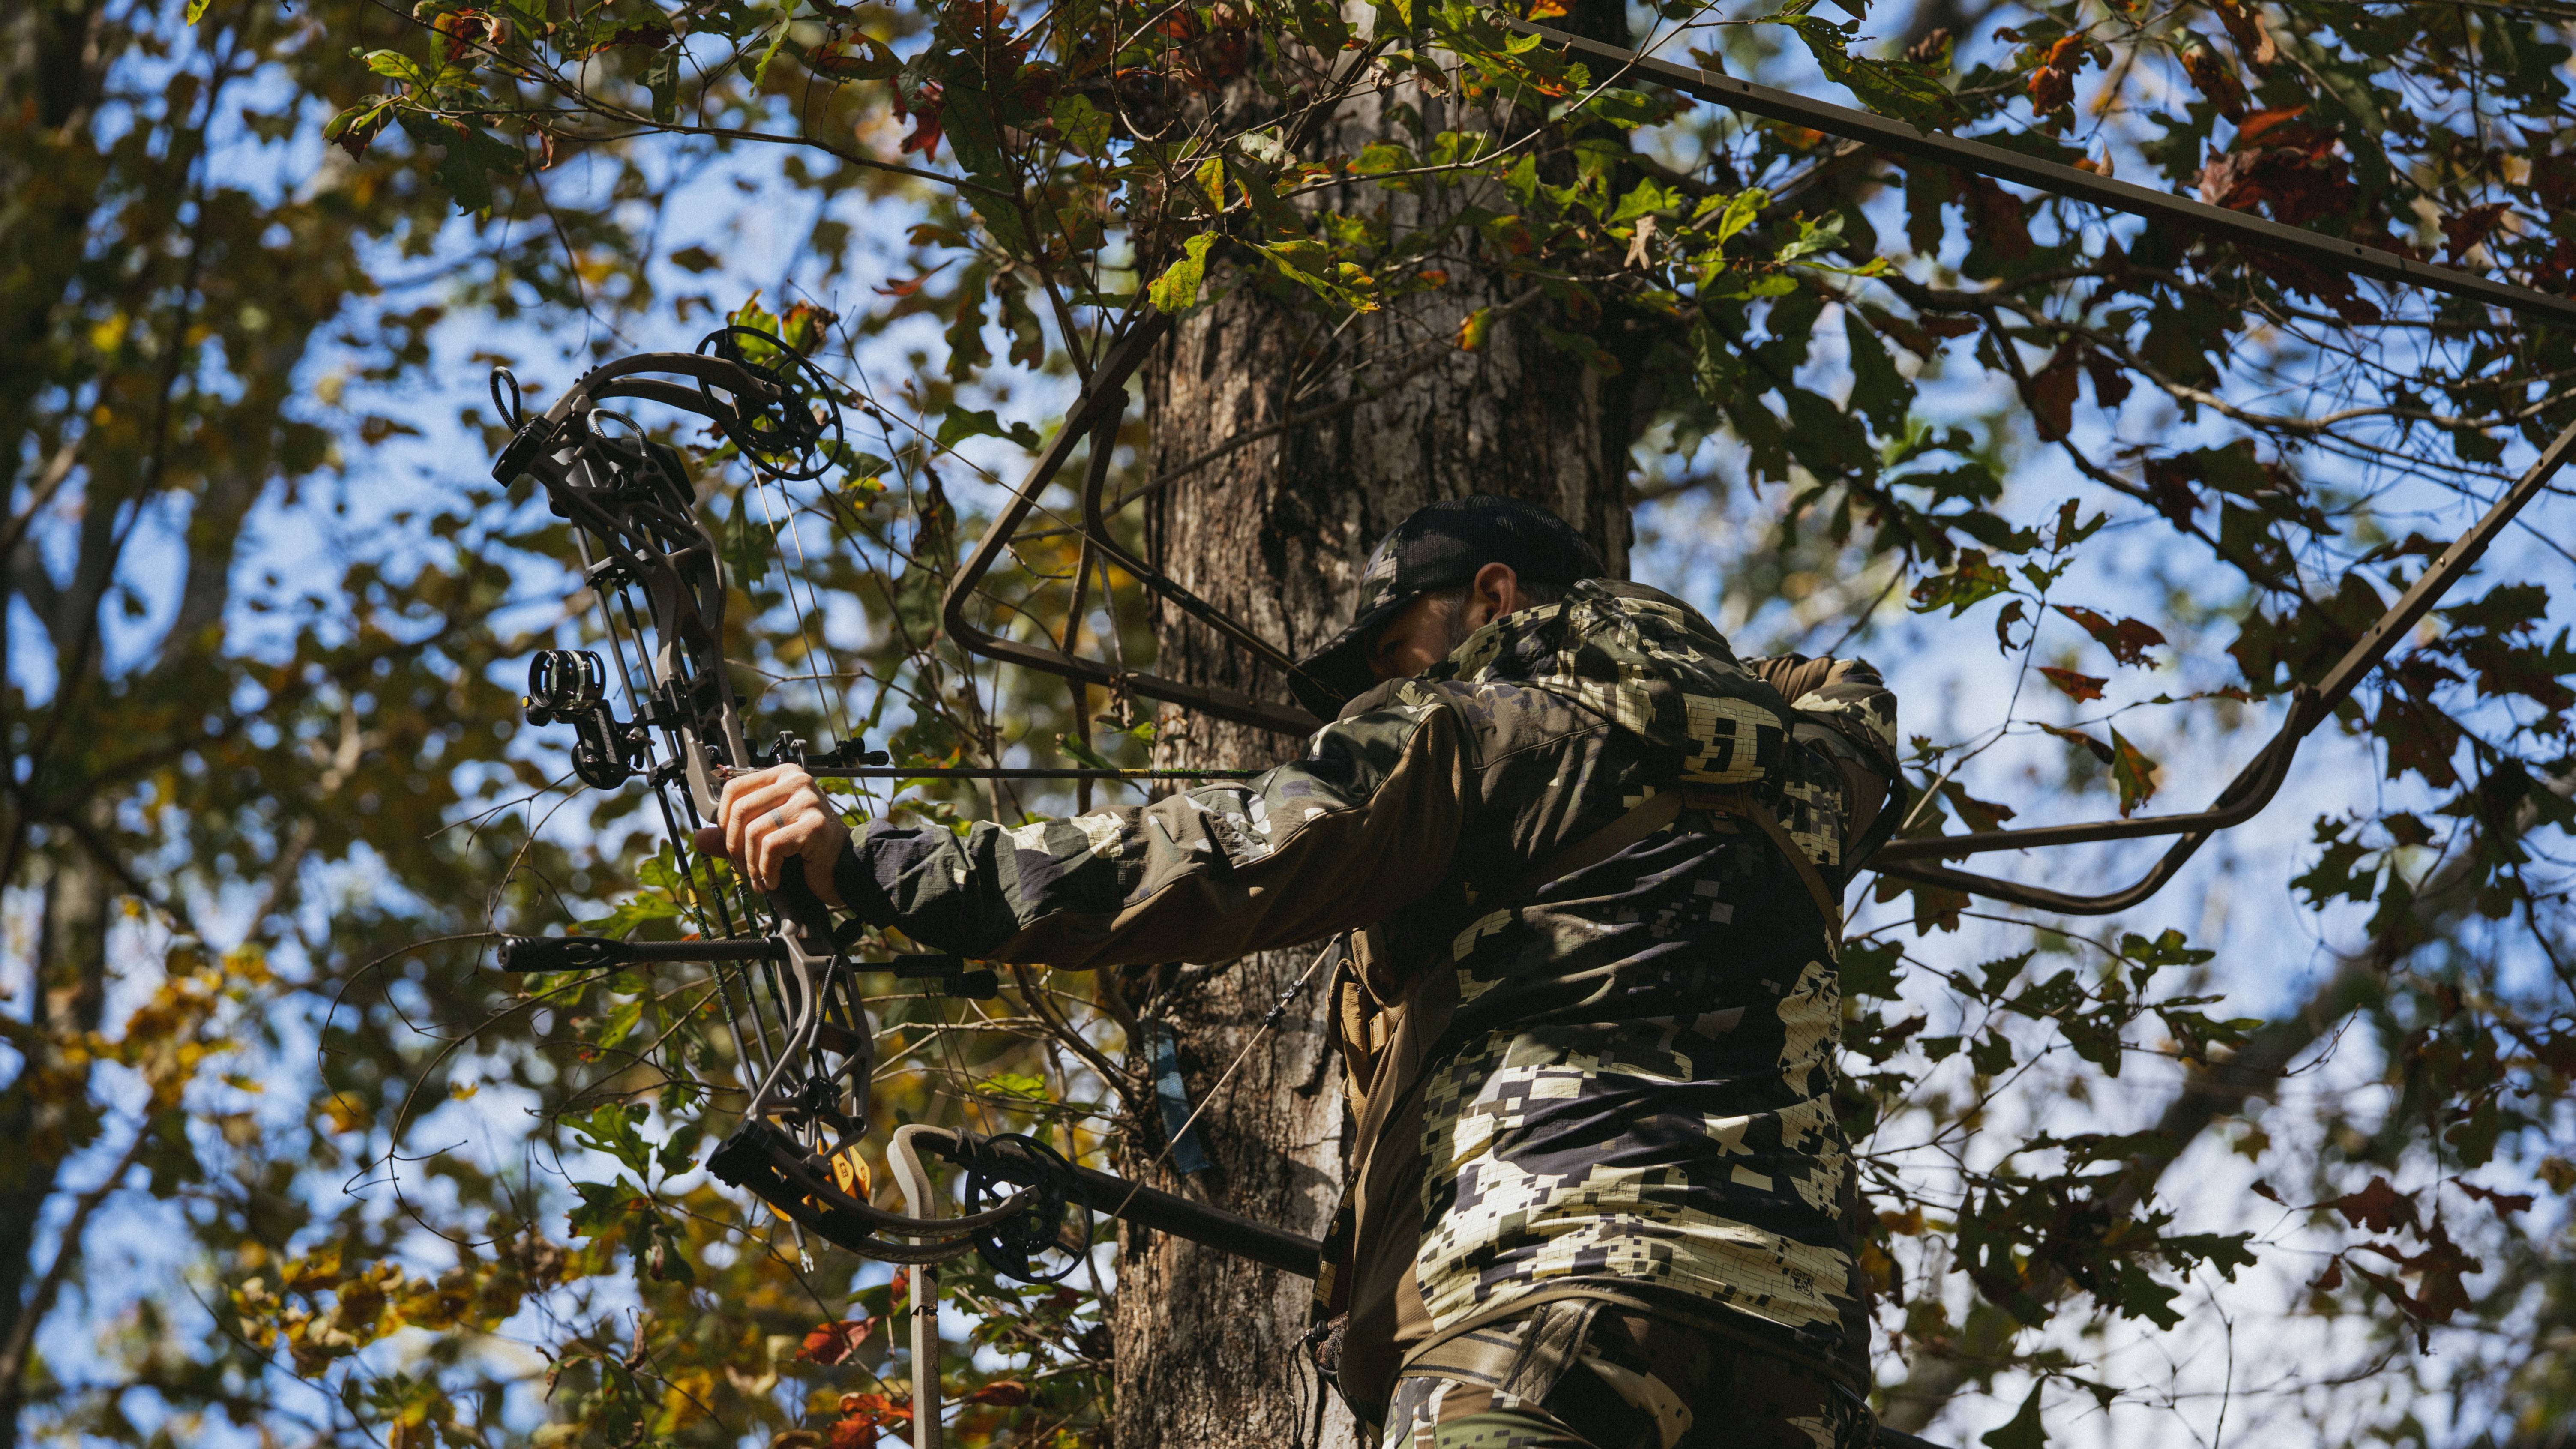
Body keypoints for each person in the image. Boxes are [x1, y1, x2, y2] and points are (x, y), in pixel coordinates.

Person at [703, 495, 1905, 1449]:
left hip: (1550, 1292)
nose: (1393, 685)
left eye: (1399, 646)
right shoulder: (1814, 776)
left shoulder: (1480, 727)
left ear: (1494, 595)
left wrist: (872, 865)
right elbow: (1851, 702)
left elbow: (1209, 857)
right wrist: (1705, 673)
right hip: (1796, 1342)